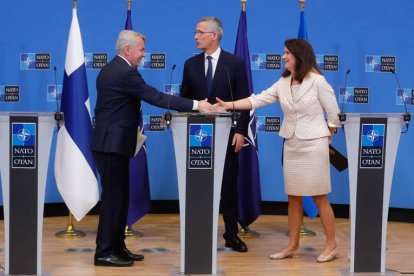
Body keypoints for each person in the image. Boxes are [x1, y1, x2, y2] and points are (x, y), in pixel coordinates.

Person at [91, 30, 214, 267]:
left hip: (113, 143)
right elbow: (154, 97)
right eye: (141, 50)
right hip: (111, 144)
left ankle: (117, 247)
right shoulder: (124, 72)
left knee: (120, 198)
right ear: (128, 49)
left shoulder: (113, 68)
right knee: (113, 200)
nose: (143, 55)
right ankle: (104, 252)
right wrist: (197, 104)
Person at [214, 38, 340, 262]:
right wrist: (228, 105)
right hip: (291, 144)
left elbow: (334, 116)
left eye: (287, 54)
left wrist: (326, 139)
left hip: (314, 145)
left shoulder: (318, 82)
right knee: (293, 197)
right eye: (283, 53)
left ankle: (331, 246)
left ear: (299, 56)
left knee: (320, 196)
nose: (283, 57)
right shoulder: (283, 82)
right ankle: (292, 245)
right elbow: (257, 100)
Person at [180, 17, 250, 252]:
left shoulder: (235, 63)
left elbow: (245, 101)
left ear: (214, 35)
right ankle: (198, 233)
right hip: (197, 134)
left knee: (228, 186)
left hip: (227, 134)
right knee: (197, 186)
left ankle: (231, 234)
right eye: (195, 32)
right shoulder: (190, 64)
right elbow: (184, 100)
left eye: (200, 32)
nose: (195, 36)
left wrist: (241, 131)